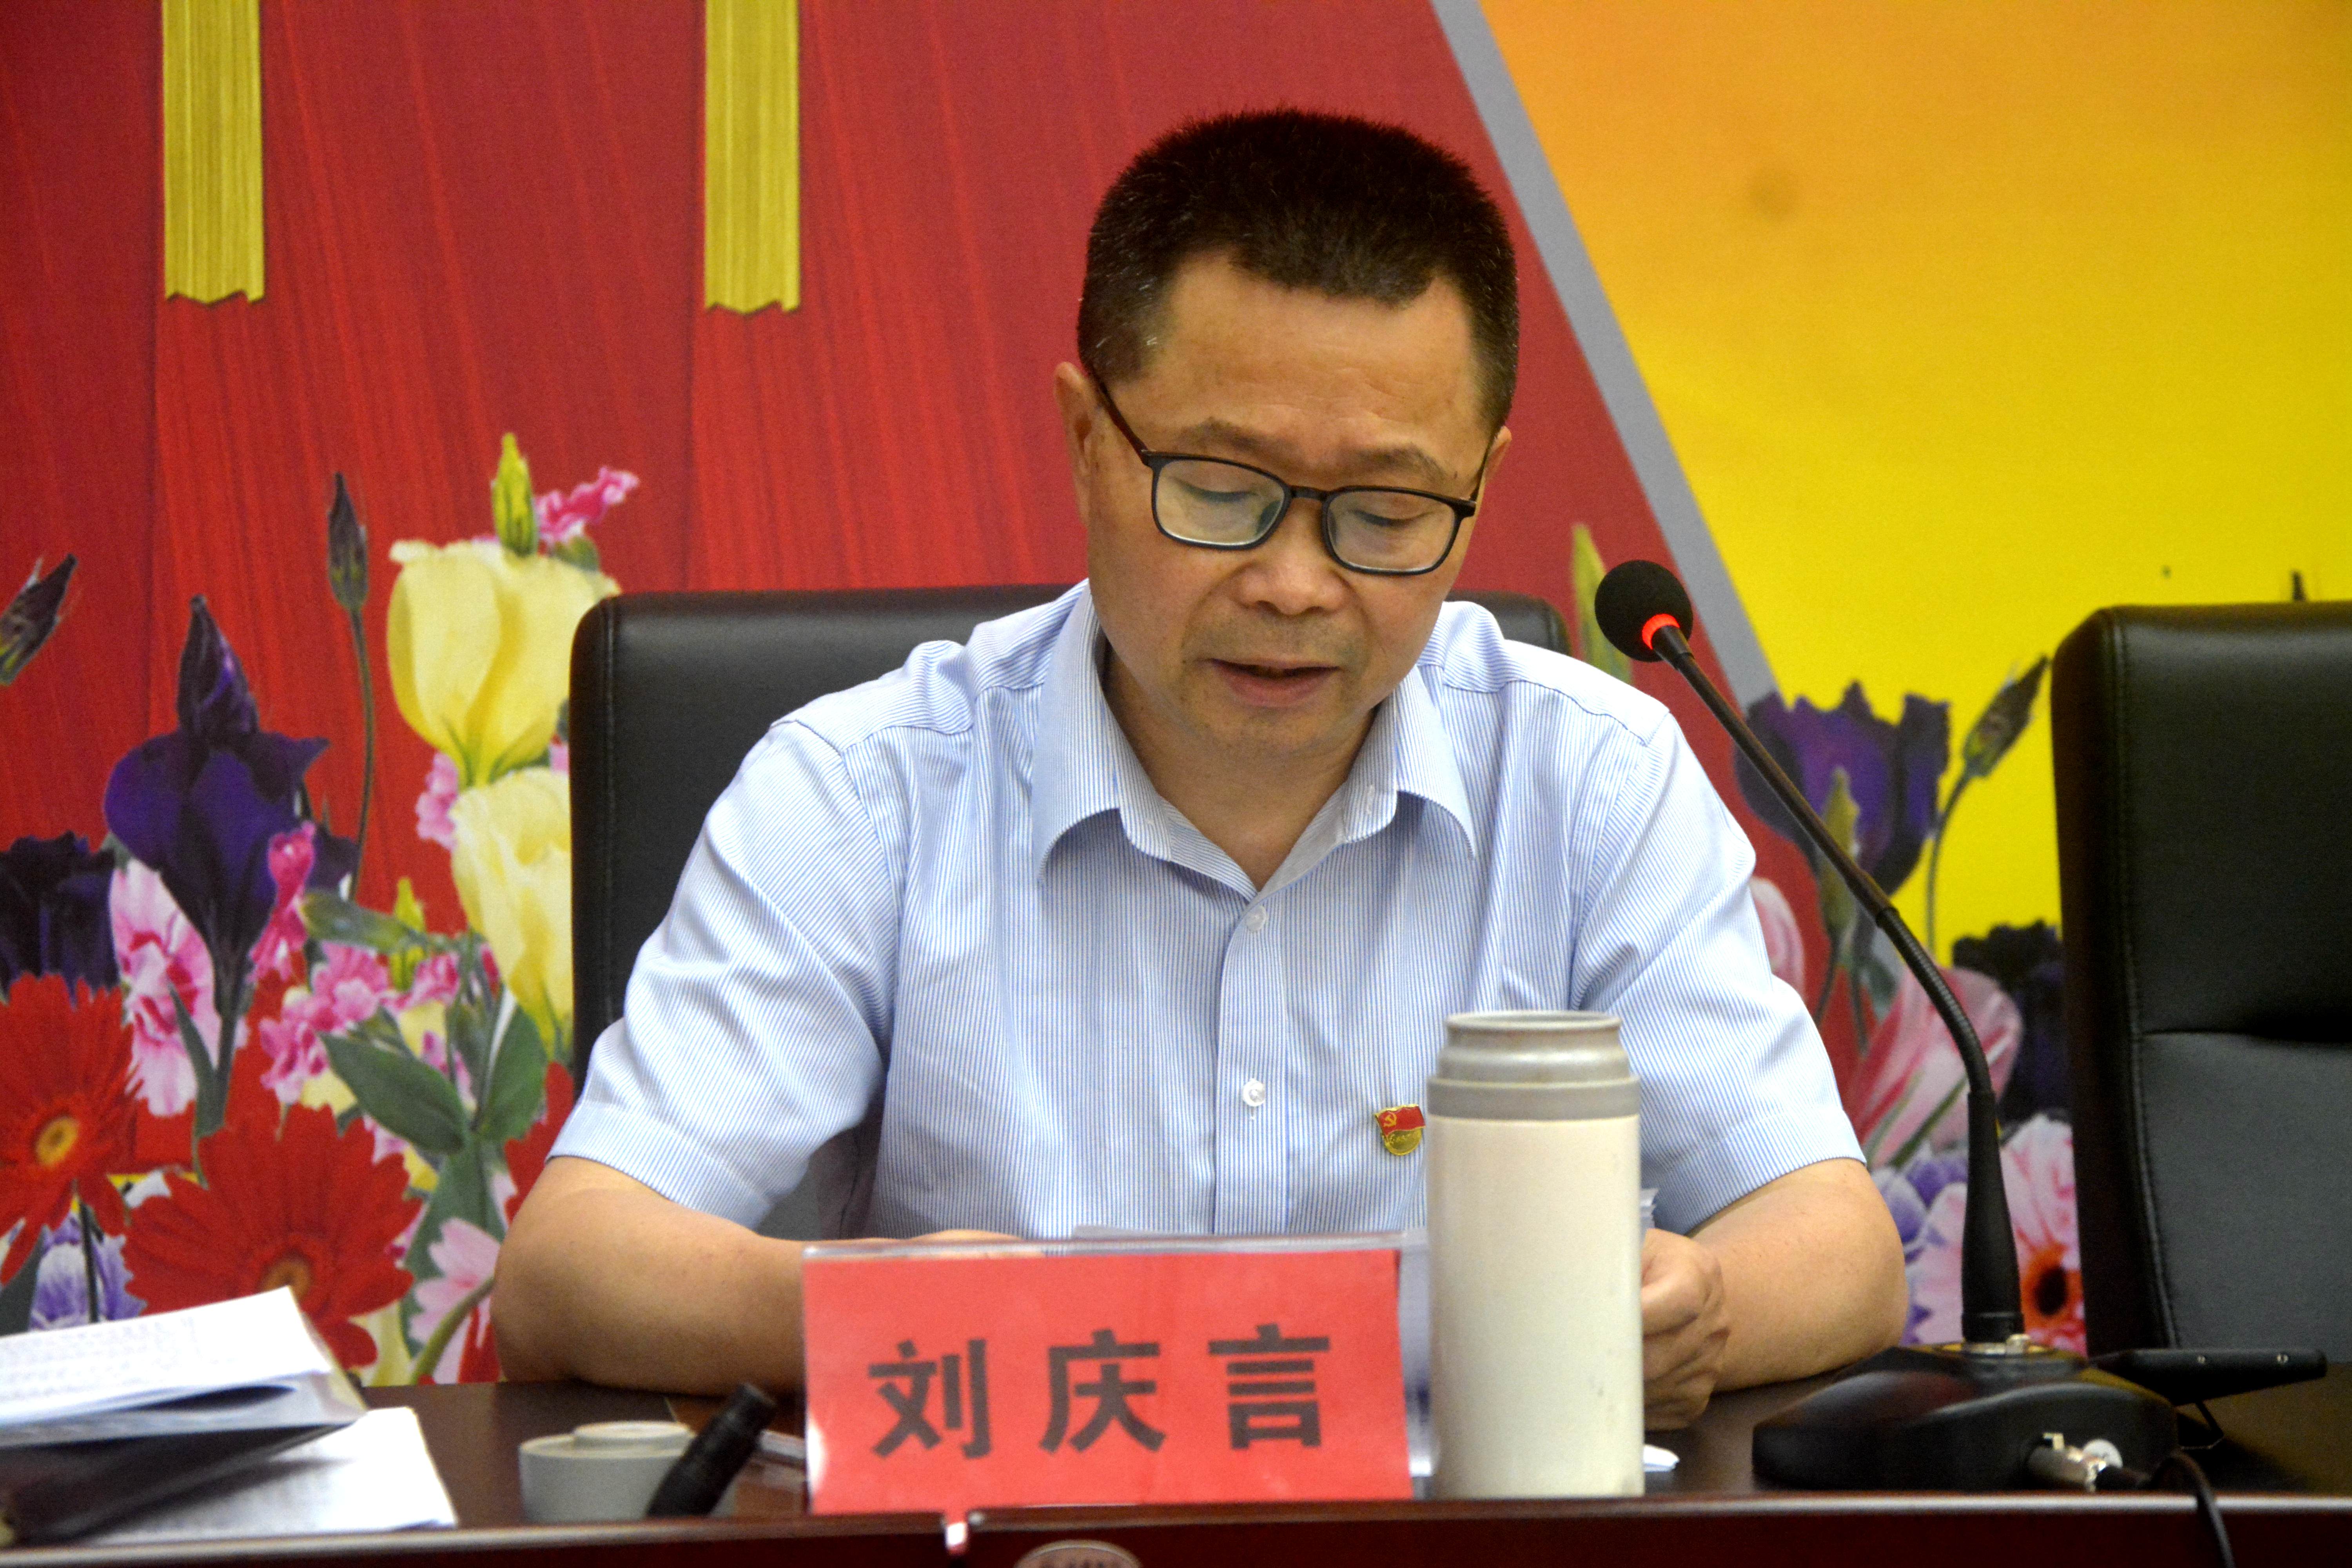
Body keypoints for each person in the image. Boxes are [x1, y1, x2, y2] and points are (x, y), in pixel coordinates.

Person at [497, 109, 1904, 1426]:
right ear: (1088, 441)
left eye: (1386, 511)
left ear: (1477, 490)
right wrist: (893, 1311)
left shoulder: (1591, 781)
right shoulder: (869, 793)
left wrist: (1695, 1311)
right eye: (1223, 493)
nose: (1295, 583)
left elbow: (1836, 1245)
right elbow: (569, 1272)